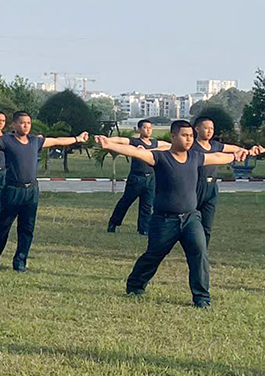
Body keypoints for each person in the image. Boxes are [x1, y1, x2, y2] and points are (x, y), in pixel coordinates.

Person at [96, 121, 242, 307]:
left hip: (191, 218)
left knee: (200, 253)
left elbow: (217, 157)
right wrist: (109, 145)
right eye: (184, 135)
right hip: (164, 221)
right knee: (154, 255)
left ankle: (202, 298)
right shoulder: (161, 158)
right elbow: (137, 152)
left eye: (190, 135)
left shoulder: (196, 157)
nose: (188, 139)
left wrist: (235, 155)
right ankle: (135, 285)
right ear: (173, 137)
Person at [0, 113, 88, 270]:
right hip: (12, 190)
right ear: (14, 125)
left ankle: (20, 262)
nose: (26, 126)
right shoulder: (6, 141)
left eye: (28, 123)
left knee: (27, 228)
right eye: (22, 123)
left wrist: (77, 139)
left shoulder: (35, 141)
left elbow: (56, 140)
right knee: (2, 227)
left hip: (31, 191)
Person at [191, 116, 249, 243]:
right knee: (191, 222)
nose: (209, 131)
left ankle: (203, 250)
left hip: (211, 187)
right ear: (197, 129)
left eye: (212, 128)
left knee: (207, 225)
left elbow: (233, 148)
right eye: (206, 128)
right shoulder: (191, 146)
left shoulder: (215, 145)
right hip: (195, 186)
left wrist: (245, 151)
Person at [105, 119, 164, 235]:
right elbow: (120, 140)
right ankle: (113, 223)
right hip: (136, 178)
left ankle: (144, 229)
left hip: (151, 178)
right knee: (126, 202)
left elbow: (168, 145)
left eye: (150, 128)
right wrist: (106, 140)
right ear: (139, 129)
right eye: (145, 127)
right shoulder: (135, 142)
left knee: (147, 205)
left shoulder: (154, 143)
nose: (148, 130)